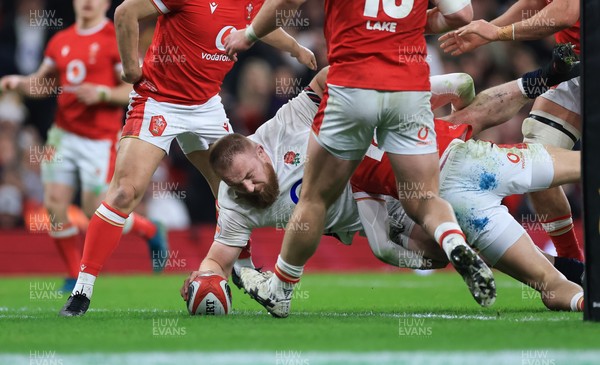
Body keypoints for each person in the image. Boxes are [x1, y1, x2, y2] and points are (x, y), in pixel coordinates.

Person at [180, 65, 584, 312]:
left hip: (397, 189)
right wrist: (205, 276)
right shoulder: (236, 199)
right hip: (421, 170)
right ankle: (558, 271)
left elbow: (325, 82)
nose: (248, 187)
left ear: (260, 150)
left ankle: (470, 249)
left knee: (405, 237)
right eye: (238, 185)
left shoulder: (292, 130)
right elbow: (219, 257)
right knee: (463, 128)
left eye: (248, 175)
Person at [223, 0, 498, 318]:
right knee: (424, 197)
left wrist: (251, 34)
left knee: (314, 199)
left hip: (352, 86)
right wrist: (401, 25)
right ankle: (454, 243)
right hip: (407, 86)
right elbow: (461, 16)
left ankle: (282, 290)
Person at [56, 0, 317, 317]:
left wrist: (294, 48)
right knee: (126, 191)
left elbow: (259, 25)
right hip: (158, 99)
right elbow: (126, 12)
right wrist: (130, 68)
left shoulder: (250, 3)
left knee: (233, 184)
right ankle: (83, 290)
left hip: (206, 104)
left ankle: (242, 266)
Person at [0, 0, 167, 293]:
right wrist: (18, 83)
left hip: (99, 139)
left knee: (95, 211)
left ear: (106, 4)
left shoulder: (115, 39)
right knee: (54, 205)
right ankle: (71, 273)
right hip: (63, 135)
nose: (88, 2)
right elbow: (44, 84)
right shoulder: (61, 40)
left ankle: (150, 230)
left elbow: (134, 87)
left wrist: (103, 93)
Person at [439, 0, 583, 261]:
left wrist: (497, 33)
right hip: (575, 66)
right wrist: (488, 33)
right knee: (536, 167)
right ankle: (572, 264)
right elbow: (535, 3)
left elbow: (565, 13)